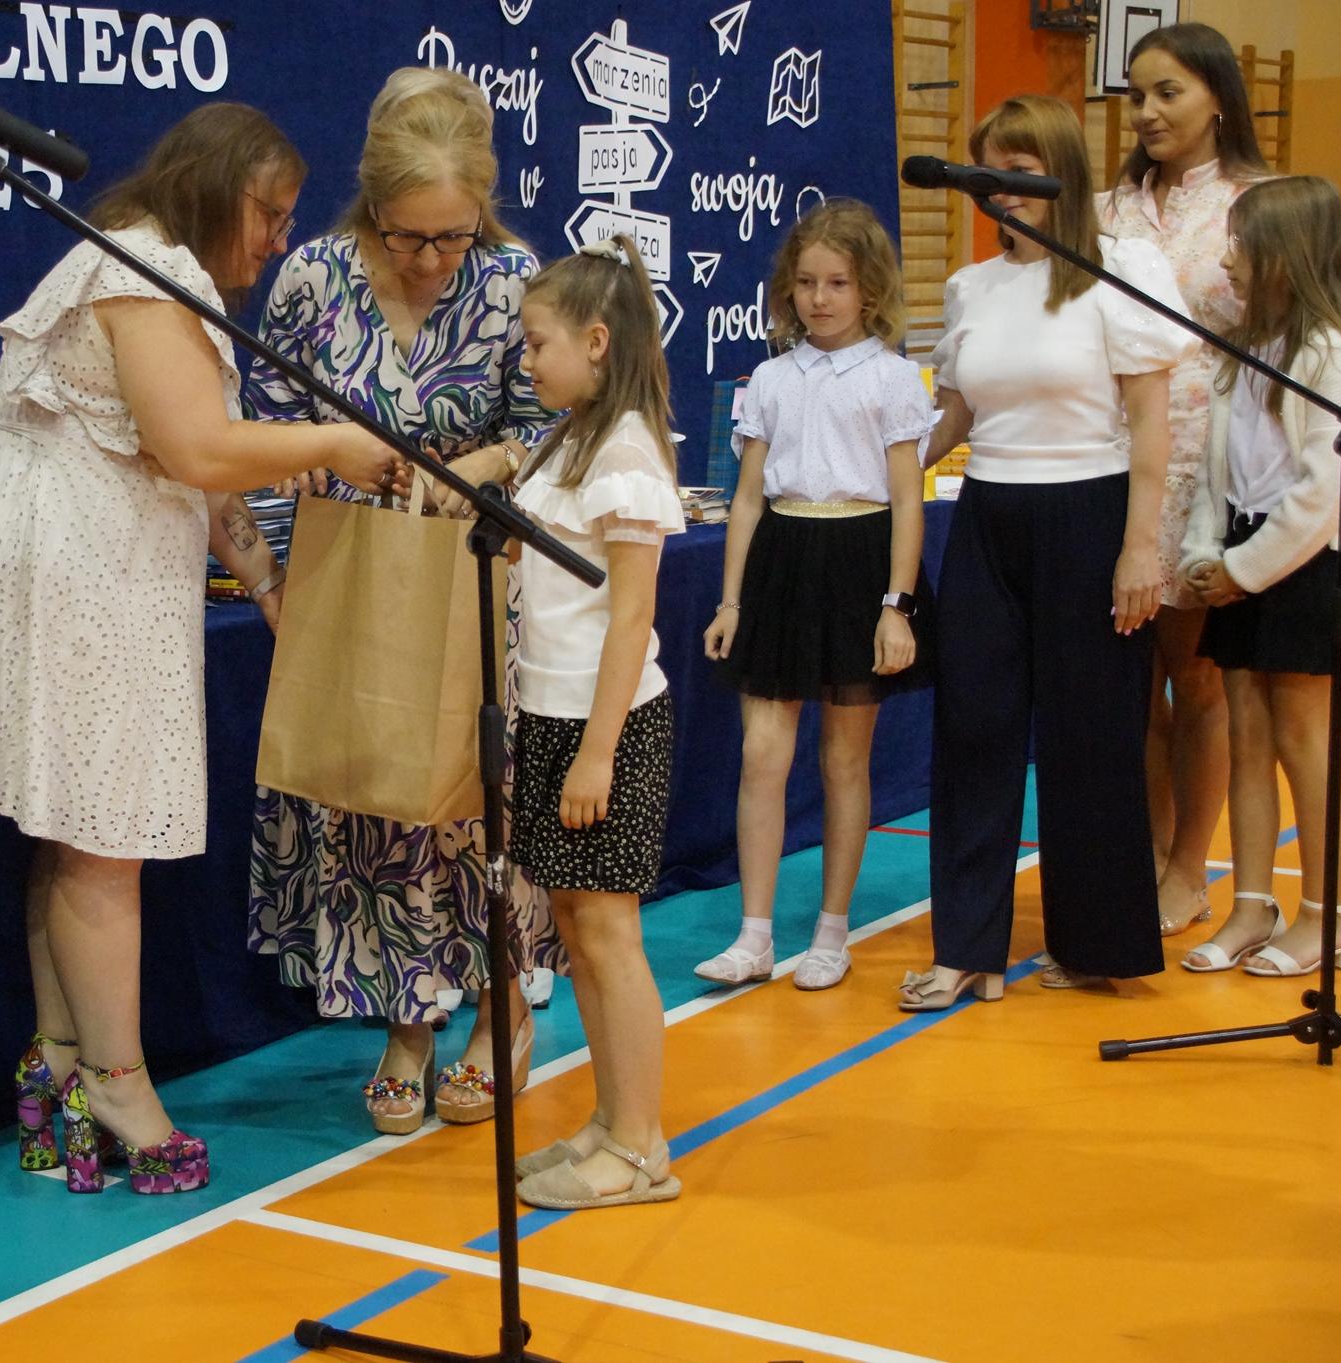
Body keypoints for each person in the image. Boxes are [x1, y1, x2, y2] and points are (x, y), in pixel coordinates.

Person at [0, 104, 404, 1195]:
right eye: (269, 214)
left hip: (66, 563)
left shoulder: (141, 267)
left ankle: (58, 1067)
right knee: (106, 838)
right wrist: (333, 440)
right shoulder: (145, 270)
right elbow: (197, 446)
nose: (278, 239)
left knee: (74, 832)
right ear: (215, 190)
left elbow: (195, 471)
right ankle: (118, 1086)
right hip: (77, 574)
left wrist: (267, 585)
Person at [242, 68, 561, 1136]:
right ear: (371, 206)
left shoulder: (514, 280)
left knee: (479, 801)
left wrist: (481, 463)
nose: (429, 260)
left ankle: (502, 1007)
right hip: (352, 585)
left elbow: (553, 425)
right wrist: (278, 575)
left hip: (479, 579)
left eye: (451, 238)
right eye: (408, 237)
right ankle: (408, 1022)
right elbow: (261, 435)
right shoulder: (311, 280)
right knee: (378, 808)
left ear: (483, 212)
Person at [907, 95, 1196, 1010]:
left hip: (1091, 512)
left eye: (1020, 170)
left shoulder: (1119, 270)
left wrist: (1140, 549)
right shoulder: (972, 287)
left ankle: (1097, 941)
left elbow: (1150, 427)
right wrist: (874, 461)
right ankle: (968, 948)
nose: (1001, 189)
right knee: (975, 729)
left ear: (1059, 174)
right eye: (989, 170)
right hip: (987, 515)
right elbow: (955, 414)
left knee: (1092, 736)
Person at [699, 199, 937, 992]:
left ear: (869, 290)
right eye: (806, 282)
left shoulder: (892, 377)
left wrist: (896, 604)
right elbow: (746, 499)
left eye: (837, 282)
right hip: (782, 556)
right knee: (762, 753)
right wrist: (731, 602)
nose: (820, 298)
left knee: (843, 756)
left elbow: (907, 500)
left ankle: (832, 931)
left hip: (860, 559)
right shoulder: (770, 377)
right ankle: (754, 933)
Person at [503, 236, 685, 1209]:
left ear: (596, 342)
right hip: (550, 712)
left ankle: (643, 1145)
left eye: (538, 343)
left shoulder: (624, 453)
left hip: (604, 725)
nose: (525, 359)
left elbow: (630, 612)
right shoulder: (568, 436)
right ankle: (611, 1120)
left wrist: (598, 754)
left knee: (609, 932)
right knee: (576, 925)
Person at [1097, 21, 1275, 938]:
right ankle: (1144, 849)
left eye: (1168, 92)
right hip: (1110, 464)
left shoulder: (1258, 203)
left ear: (1218, 98)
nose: (1147, 111)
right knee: (1126, 687)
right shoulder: (1109, 208)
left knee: (1195, 678)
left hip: (1211, 468)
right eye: (1137, 95)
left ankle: (1188, 867)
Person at [1178, 176, 1341, 976]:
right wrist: (1205, 552)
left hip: (1307, 561)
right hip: (1244, 553)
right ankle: (1253, 904)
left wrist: (1244, 572)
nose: (1228, 259)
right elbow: (1217, 471)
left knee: (1302, 739)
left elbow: (1321, 491)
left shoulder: (1328, 354)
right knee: (1246, 734)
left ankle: (1327, 914)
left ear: (1284, 254)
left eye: (1241, 243)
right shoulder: (1246, 349)